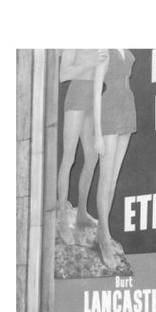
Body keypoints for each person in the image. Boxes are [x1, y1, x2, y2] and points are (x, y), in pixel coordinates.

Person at [57, 49, 109, 245]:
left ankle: (81, 212)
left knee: (92, 156)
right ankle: (63, 219)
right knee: (69, 157)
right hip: (77, 94)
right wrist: (91, 62)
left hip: (95, 97)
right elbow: (63, 75)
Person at [93, 49, 137, 268]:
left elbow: (126, 79)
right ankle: (105, 239)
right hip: (109, 109)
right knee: (105, 178)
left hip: (127, 107)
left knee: (113, 179)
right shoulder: (104, 49)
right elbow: (96, 92)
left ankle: (102, 232)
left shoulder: (126, 49)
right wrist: (98, 134)